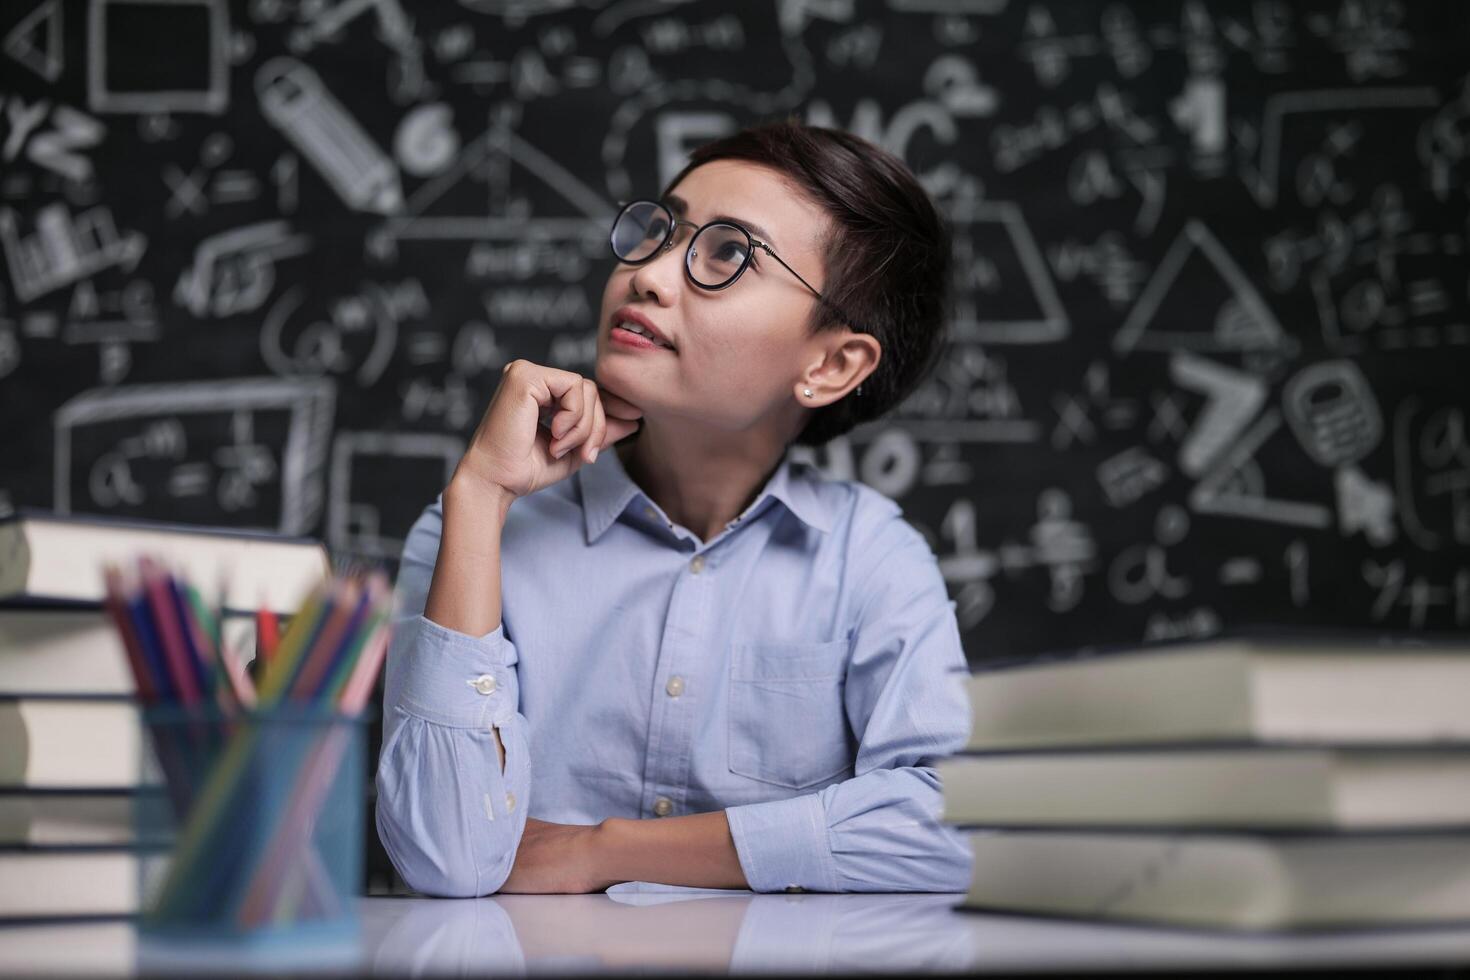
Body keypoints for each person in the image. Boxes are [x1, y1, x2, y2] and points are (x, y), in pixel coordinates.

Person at [376, 117, 973, 897]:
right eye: (661, 232)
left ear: (830, 365)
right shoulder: (477, 530)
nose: (650, 275)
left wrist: (607, 851)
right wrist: (481, 496)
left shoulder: (870, 556)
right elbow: (446, 858)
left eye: (729, 254)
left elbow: (955, 819)